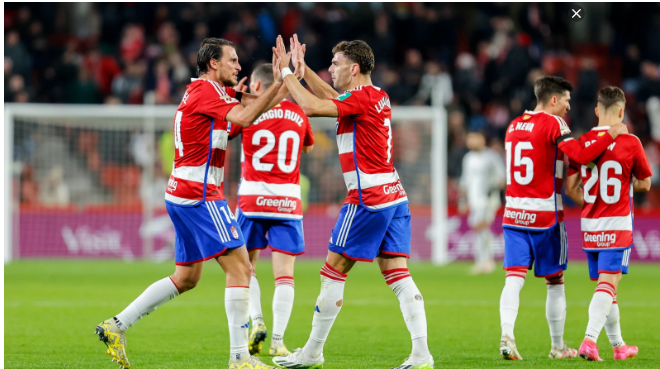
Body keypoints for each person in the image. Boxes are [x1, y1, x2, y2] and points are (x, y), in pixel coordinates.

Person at [94, 37, 289, 369]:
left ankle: (116, 325)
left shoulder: (206, 93)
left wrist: (286, 80)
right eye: (233, 60)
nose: (238, 66)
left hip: (182, 192)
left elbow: (248, 112)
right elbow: (246, 116)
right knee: (241, 268)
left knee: (186, 278)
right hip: (199, 193)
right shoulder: (206, 92)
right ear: (213, 63)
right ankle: (240, 359)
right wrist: (283, 80)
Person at [271, 34, 434, 369]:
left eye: (336, 64)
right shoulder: (374, 97)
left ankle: (312, 352)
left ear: (355, 68)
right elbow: (332, 98)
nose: (330, 68)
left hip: (367, 198)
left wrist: (288, 74)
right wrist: (303, 74)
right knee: (397, 274)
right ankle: (421, 354)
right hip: (393, 195)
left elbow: (313, 106)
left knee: (333, 271)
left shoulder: (361, 98)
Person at [498, 76, 629, 360]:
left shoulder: (513, 125)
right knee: (555, 281)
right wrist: (612, 134)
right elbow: (580, 156)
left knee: (513, 278)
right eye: (567, 101)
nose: (569, 107)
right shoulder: (554, 124)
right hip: (545, 216)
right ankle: (558, 347)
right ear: (553, 99)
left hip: (513, 215)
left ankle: (507, 335)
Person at [228, 63, 315, 357]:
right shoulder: (299, 113)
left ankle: (258, 321)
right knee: (285, 274)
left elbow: (230, 131)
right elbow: (308, 148)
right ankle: (278, 340)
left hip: (252, 199)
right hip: (288, 202)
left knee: (244, 267)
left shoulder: (248, 112)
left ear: (255, 86)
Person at [564, 86, 652, 361]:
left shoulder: (584, 142)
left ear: (596, 111)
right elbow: (646, 184)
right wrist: (623, 185)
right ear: (622, 111)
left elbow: (570, 188)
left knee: (606, 286)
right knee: (608, 285)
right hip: (618, 224)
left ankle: (618, 346)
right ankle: (589, 341)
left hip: (590, 226)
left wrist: (593, 202)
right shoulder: (632, 142)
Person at [458, 130, 505, 275]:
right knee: (479, 229)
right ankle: (484, 261)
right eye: (469, 138)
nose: (470, 141)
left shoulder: (491, 156)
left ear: (482, 139)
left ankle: (485, 261)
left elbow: (502, 177)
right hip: (474, 200)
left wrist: (493, 189)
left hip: (487, 198)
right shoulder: (468, 158)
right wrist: (462, 200)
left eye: (474, 138)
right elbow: (465, 181)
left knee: (480, 227)